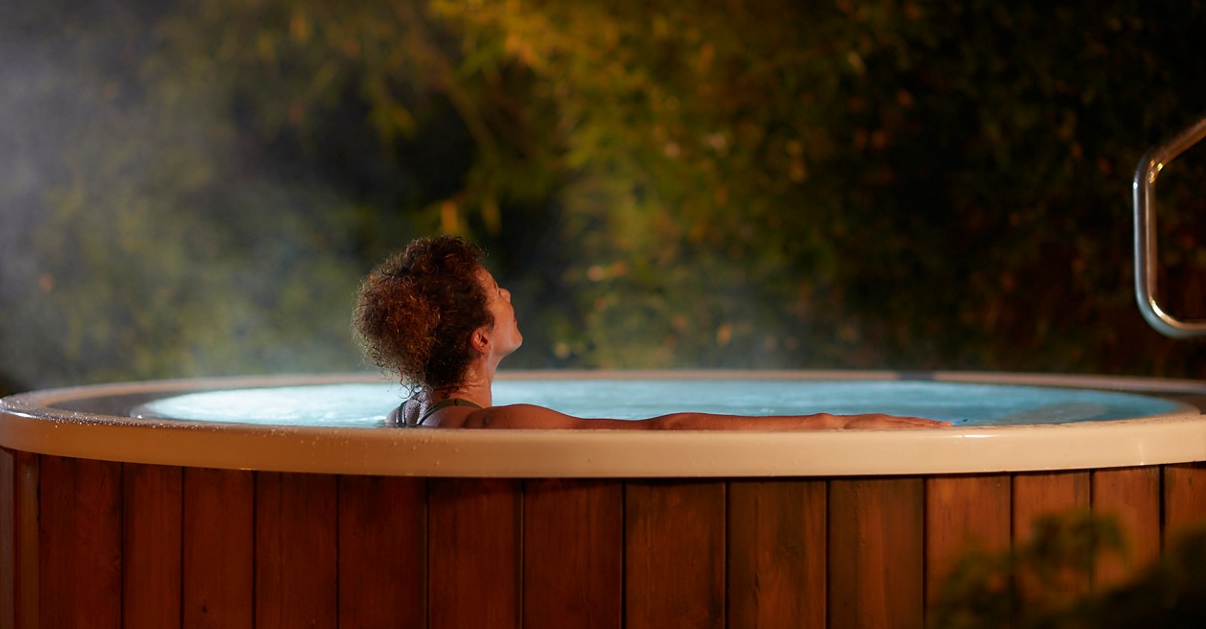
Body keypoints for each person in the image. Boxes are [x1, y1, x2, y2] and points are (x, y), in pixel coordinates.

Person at [353, 236, 949, 430]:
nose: (508, 296)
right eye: (496, 293)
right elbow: (662, 431)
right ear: (479, 338)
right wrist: (834, 424)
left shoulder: (412, 415)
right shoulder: (500, 424)